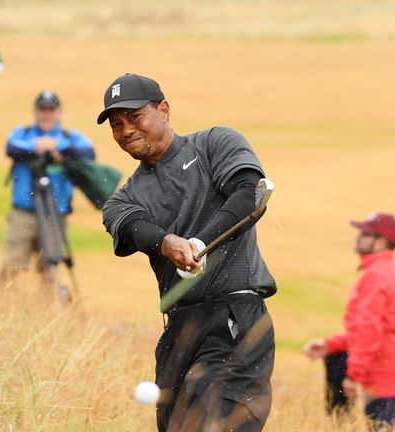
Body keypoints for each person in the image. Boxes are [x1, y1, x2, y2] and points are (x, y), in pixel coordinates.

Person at [99, 73, 276, 431]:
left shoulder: (214, 144)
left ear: (163, 110)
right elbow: (134, 229)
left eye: (134, 117)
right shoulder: (123, 199)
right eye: (117, 125)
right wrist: (168, 243)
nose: (126, 130)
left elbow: (248, 193)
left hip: (234, 314)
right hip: (179, 329)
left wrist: (199, 242)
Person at [303, 213, 395, 431]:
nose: (359, 238)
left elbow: (368, 331)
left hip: (383, 366)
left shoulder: (376, 276)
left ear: (382, 242)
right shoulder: (386, 271)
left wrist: (354, 375)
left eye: (366, 234)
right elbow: (368, 329)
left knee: (380, 426)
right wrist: (331, 345)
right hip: (391, 362)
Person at [0, 90, 95, 297]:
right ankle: (2, 308)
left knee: (50, 271)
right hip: (22, 213)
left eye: (51, 110)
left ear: (59, 112)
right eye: (42, 110)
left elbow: (88, 153)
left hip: (55, 214)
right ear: (35, 111)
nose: (47, 114)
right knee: (9, 267)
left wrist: (57, 147)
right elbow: (11, 148)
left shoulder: (69, 138)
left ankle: (48, 315)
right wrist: (39, 149)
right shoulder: (23, 134)